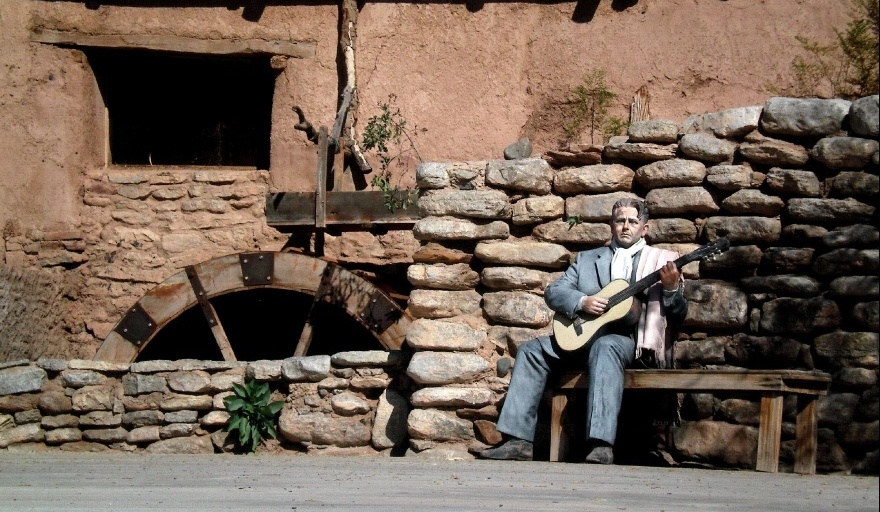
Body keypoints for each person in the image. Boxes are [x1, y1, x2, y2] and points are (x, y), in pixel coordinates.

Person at [478, 198, 687, 464]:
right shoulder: (588, 259)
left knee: (606, 346)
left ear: (644, 229)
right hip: (581, 338)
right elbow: (554, 292)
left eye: (632, 221)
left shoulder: (660, 262)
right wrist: (581, 301)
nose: (625, 226)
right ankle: (518, 442)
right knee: (531, 351)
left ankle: (600, 445)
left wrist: (670, 289)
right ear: (611, 225)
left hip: (628, 343)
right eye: (620, 221)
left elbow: (679, 314)